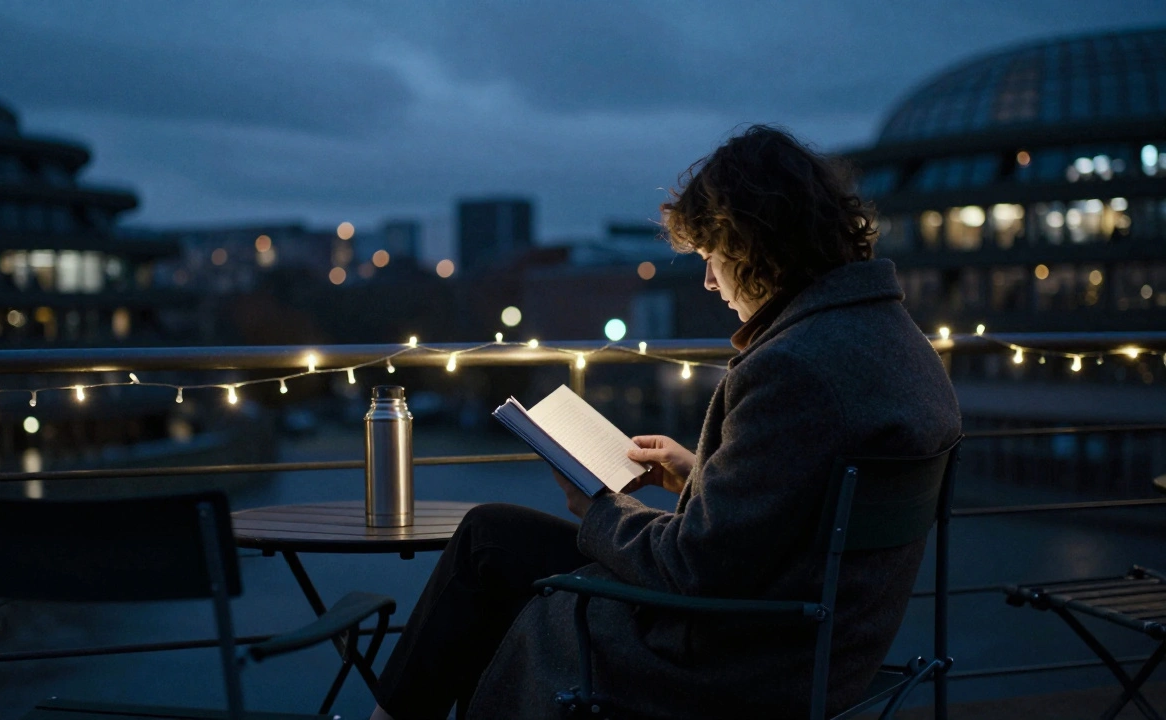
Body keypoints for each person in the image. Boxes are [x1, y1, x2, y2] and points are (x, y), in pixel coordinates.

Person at [370, 125, 961, 720]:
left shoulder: (793, 369)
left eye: (710, 257)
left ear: (754, 244)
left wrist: (598, 507)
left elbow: (694, 567)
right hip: (813, 646)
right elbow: (795, 508)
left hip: (732, 656)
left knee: (487, 545)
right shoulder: (899, 344)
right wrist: (699, 475)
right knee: (493, 539)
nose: (709, 281)